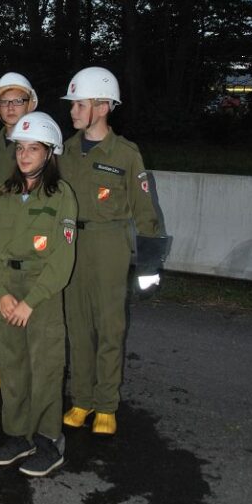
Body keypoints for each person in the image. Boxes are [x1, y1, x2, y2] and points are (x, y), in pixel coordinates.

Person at [60, 67, 162, 437]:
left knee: (109, 327)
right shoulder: (66, 151)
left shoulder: (125, 154)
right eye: (72, 104)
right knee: (78, 326)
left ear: (102, 107)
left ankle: (105, 404)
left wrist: (149, 265)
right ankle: (81, 399)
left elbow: (146, 211)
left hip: (109, 245)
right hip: (72, 246)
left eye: (79, 104)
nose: (72, 111)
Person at [0, 113, 77, 477]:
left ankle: (50, 441)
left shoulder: (61, 195)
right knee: (14, 365)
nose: (24, 155)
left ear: (49, 153)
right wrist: (1, 294)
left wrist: (31, 301)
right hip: (7, 288)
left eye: (33, 148)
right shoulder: (3, 194)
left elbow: (62, 259)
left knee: (46, 366)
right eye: (20, 148)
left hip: (42, 292)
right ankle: (19, 435)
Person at [0, 72, 38, 211]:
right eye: (4, 102)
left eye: (18, 101)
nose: (10, 107)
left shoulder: (40, 146)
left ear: (30, 105)